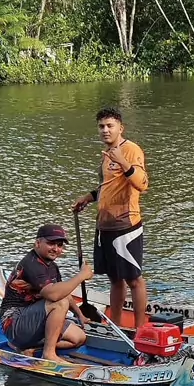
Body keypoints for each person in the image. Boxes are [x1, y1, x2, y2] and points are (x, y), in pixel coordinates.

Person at [72, 107, 148, 328]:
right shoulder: (107, 154)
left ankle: (140, 329)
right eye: (101, 126)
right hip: (105, 225)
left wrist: (123, 162)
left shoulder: (131, 150)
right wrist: (88, 197)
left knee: (133, 278)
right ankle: (115, 325)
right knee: (114, 278)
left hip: (126, 225)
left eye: (110, 126)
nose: (105, 130)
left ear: (120, 128)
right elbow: (108, 186)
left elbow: (142, 184)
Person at [0, 223, 93, 363]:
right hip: (14, 323)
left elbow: (64, 293)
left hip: (35, 319)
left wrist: (80, 316)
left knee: (78, 338)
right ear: (38, 243)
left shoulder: (52, 266)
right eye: (51, 243)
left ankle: (27, 347)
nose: (56, 249)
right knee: (59, 302)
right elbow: (54, 295)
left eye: (59, 245)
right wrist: (81, 276)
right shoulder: (31, 264)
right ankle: (48, 353)